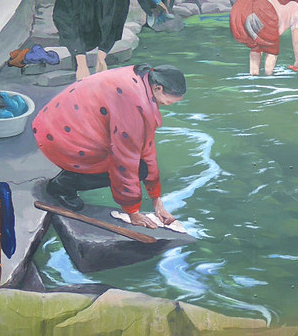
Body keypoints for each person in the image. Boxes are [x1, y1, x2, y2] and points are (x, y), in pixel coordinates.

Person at [33, 63, 185, 228]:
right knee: (136, 167)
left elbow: (146, 149)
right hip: (59, 136)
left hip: (59, 120)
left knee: (140, 165)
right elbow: (125, 161)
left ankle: (69, 177)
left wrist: (157, 201)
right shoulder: (133, 104)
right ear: (158, 89)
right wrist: (132, 212)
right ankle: (62, 186)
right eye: (167, 102)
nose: (165, 106)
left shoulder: (141, 79)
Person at [53, 0, 129, 81]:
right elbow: (65, 21)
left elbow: (111, 22)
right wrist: (81, 61)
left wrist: (102, 54)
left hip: (100, 37)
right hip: (79, 38)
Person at [229, 0, 298, 76]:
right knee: (271, 50)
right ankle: (268, 77)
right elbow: (297, 42)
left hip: (239, 6)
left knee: (255, 46)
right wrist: (297, 62)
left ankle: (254, 77)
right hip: (263, 7)